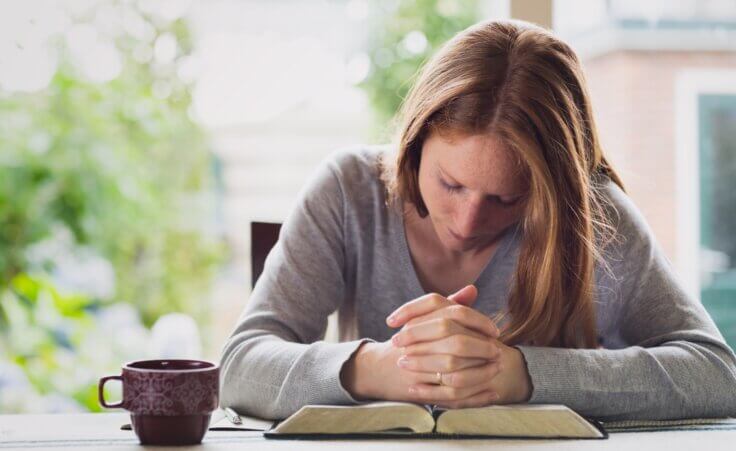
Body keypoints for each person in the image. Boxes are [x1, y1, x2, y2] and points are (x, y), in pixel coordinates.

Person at [219, 19, 736, 421]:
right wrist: (381, 368)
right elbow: (239, 368)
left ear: (550, 191)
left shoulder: (591, 217)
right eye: (451, 185)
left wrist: (523, 375)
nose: (468, 222)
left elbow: (717, 376)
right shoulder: (347, 190)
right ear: (416, 142)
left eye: (508, 199)